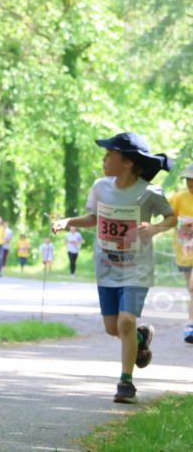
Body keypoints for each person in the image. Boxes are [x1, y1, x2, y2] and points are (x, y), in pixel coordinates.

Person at [52, 132, 175, 403]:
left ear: (127, 162)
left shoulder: (149, 193)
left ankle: (126, 382)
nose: (104, 159)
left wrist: (154, 228)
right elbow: (93, 218)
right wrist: (68, 221)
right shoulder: (100, 187)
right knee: (113, 328)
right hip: (107, 266)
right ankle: (141, 339)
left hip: (137, 267)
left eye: (109, 155)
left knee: (126, 321)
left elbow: (171, 218)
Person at [168, 162, 193, 343]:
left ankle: (191, 325)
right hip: (184, 249)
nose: (191, 183)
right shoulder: (178, 199)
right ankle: (191, 325)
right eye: (188, 180)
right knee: (190, 289)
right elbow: (168, 219)